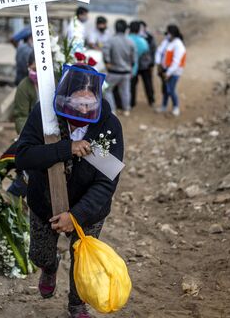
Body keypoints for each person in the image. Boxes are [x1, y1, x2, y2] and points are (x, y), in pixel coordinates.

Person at [16, 63, 123, 318]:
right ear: (64, 99)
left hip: (89, 208)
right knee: (39, 254)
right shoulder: (45, 114)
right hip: (45, 200)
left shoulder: (107, 126)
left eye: (90, 104)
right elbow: (23, 157)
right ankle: (50, 267)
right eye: (77, 105)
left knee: (83, 260)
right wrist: (66, 148)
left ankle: (76, 304)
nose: (84, 110)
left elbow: (106, 182)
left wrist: (75, 216)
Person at [7, 53, 38, 197]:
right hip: (33, 134)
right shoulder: (24, 87)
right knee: (28, 172)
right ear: (28, 67)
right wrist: (26, 134)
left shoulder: (54, 82)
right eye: (34, 68)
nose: (37, 73)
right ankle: (12, 198)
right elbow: (21, 115)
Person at [102, 19, 136, 116]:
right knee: (125, 91)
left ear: (115, 28)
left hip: (114, 71)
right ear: (126, 29)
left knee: (108, 90)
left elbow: (105, 53)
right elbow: (134, 58)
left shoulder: (111, 40)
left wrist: (107, 62)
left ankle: (112, 110)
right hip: (126, 71)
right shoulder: (130, 41)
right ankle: (126, 110)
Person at [155, 25, 186, 117]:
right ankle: (164, 106)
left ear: (172, 34)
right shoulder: (167, 41)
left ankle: (176, 107)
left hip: (174, 72)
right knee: (165, 89)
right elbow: (159, 51)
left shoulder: (178, 45)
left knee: (171, 90)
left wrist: (168, 73)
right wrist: (158, 64)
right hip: (165, 69)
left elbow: (176, 62)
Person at [127, 21, 154, 108]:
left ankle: (131, 103)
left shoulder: (127, 39)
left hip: (132, 66)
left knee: (132, 85)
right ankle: (151, 100)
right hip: (144, 66)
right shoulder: (143, 40)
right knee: (147, 83)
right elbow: (148, 50)